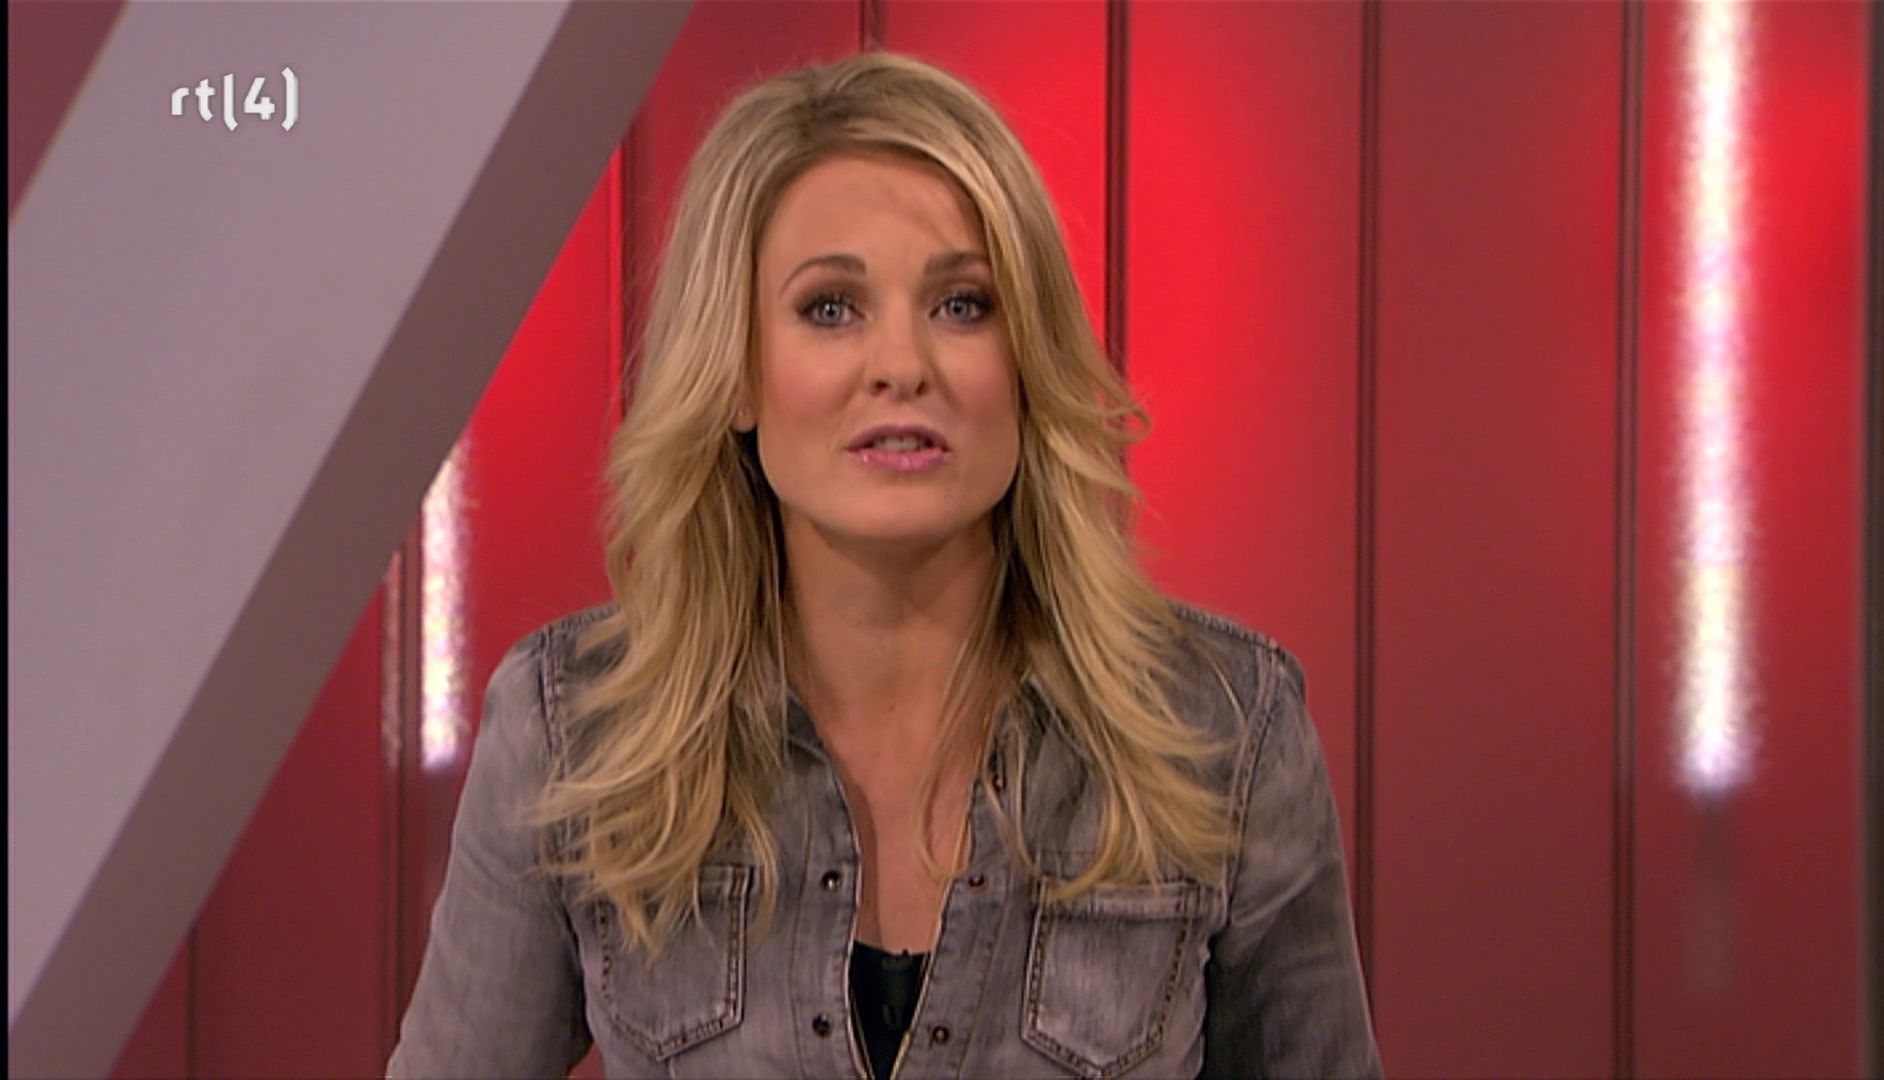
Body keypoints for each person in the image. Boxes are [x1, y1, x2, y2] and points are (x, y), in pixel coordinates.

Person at [388, 50, 1380, 1080]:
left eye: (963, 305)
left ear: (1026, 361)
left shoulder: (1225, 731)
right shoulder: (572, 733)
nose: (902, 366)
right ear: (737, 372)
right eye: (830, 308)